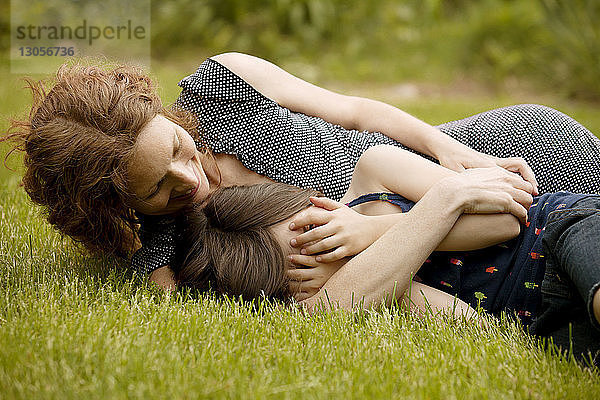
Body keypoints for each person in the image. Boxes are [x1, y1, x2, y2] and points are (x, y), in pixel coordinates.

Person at [3, 52, 600, 292]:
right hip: (443, 230)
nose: (189, 180)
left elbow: (356, 111)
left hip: (488, 155)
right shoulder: (164, 238)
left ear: (162, 112)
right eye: (159, 189)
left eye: (181, 149)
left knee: (577, 226)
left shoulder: (220, 86)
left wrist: (445, 149)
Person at [172, 145, 600, 364]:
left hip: (557, 233)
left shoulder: (375, 173)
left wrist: (373, 230)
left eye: (310, 230)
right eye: (303, 261)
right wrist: (382, 273)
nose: (323, 251)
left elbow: (505, 220)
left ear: (307, 202)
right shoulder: (370, 294)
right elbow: (486, 331)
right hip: (543, 315)